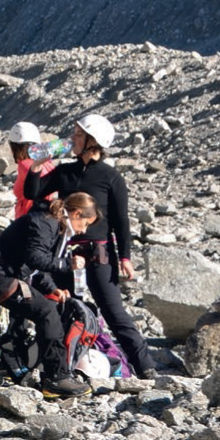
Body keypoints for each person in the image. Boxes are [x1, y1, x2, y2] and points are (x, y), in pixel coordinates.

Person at [23, 113, 156, 379]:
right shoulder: (65, 171)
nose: (73, 138)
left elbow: (121, 221)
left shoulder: (111, 177)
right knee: (62, 307)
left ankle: (146, 366)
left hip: (99, 254)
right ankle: (63, 365)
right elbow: (32, 193)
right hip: (65, 254)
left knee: (113, 311)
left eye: (79, 134)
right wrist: (36, 166)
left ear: (93, 142)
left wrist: (126, 258)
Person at [0, 194, 95, 398]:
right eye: (85, 223)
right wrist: (68, 264)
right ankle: (57, 378)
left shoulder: (45, 220)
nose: (83, 230)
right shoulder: (47, 222)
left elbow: (31, 264)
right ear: (76, 213)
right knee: (47, 313)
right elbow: (36, 258)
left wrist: (51, 288)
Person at [8, 121, 54, 219]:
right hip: (47, 217)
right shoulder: (47, 163)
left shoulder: (25, 165)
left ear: (13, 147)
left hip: (30, 219)